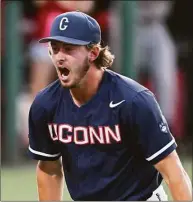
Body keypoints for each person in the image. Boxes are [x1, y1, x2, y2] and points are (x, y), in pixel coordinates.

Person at [28, 11, 192, 201]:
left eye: (69, 48)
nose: (59, 57)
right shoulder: (46, 104)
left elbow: (174, 174)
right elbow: (49, 169)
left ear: (93, 53)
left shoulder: (134, 100)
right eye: (55, 49)